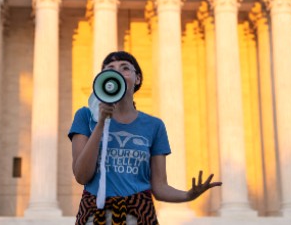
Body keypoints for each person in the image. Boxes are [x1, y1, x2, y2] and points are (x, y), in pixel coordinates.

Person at [69, 51, 221, 225]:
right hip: (95, 214)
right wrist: (101, 122)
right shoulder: (85, 117)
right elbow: (81, 175)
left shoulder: (154, 126)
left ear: (138, 78)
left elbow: (160, 187)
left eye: (125, 68)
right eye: (110, 68)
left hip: (139, 214)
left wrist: (188, 195)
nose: (117, 71)